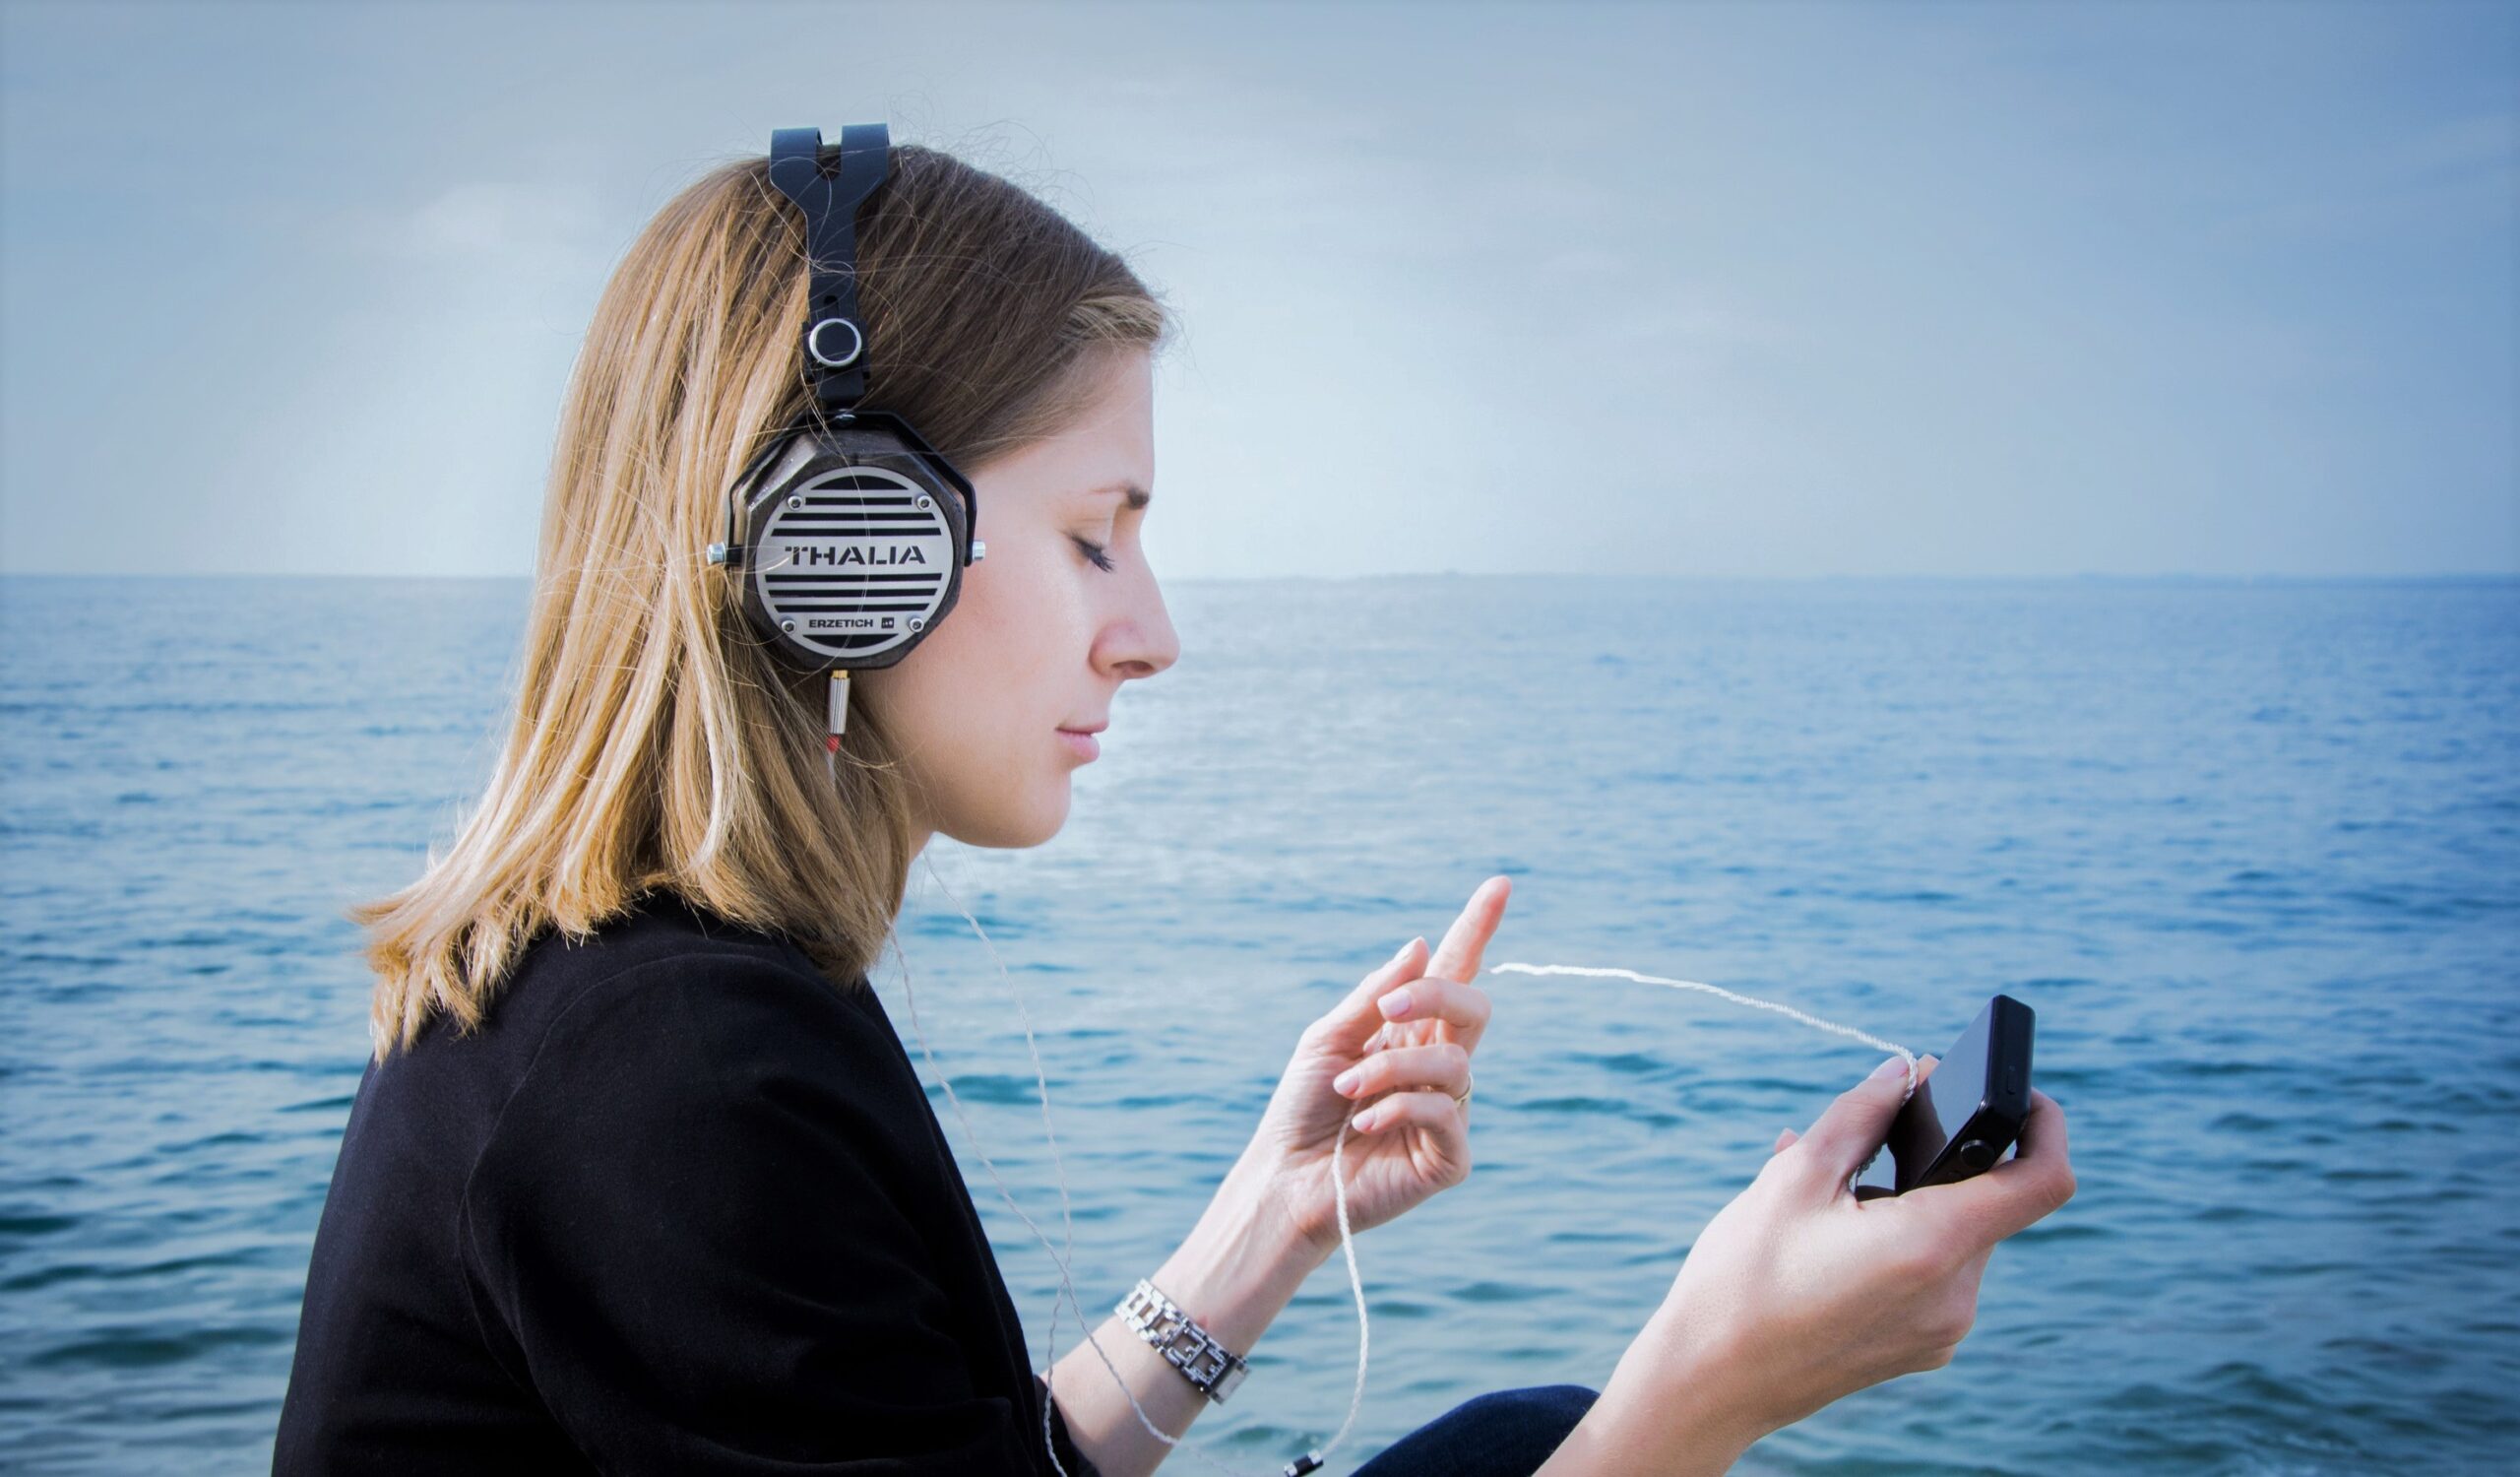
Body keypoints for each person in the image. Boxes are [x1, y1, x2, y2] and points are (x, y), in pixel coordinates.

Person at [272, 135, 2076, 1477]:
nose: (1153, 635)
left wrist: (1274, 1221)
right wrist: (1714, 1391)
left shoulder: (659, 990)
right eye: (1091, 535)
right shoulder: (660, 1074)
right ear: (844, 555)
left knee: (1531, 1432)